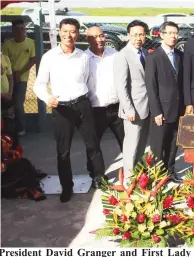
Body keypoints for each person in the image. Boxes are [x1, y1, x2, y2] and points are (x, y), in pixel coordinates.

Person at [33, 18, 106, 203]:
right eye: (65, 31)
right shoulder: (50, 57)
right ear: (59, 32)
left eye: (72, 31)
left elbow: (88, 80)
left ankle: (99, 179)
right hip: (62, 108)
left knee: (93, 145)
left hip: (82, 104)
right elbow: (39, 84)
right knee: (63, 151)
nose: (68, 35)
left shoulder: (83, 56)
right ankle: (67, 186)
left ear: (77, 34)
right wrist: (47, 98)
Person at [145, 21, 184, 183]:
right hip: (161, 110)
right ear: (161, 35)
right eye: (169, 33)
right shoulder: (153, 57)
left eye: (175, 33)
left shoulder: (180, 55)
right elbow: (151, 87)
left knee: (173, 143)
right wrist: (157, 111)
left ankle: (170, 171)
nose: (173, 36)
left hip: (177, 109)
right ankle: (156, 176)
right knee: (158, 145)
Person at [85, 26, 124, 181]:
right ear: (88, 40)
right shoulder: (84, 58)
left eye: (101, 35)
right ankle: (97, 176)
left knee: (126, 142)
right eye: (95, 37)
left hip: (117, 108)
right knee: (93, 145)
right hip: (95, 110)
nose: (100, 39)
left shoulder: (114, 55)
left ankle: (131, 172)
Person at [115, 20, 150, 178]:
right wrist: (129, 109)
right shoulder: (123, 55)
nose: (138, 38)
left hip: (146, 107)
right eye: (135, 35)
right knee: (131, 145)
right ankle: (129, 178)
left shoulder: (144, 53)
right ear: (128, 35)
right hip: (133, 109)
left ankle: (139, 172)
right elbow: (121, 86)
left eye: (141, 34)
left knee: (141, 144)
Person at [2, 20, 36, 136]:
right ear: (13, 31)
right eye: (18, 29)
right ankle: (7, 128)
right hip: (8, 78)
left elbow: (32, 59)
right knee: (7, 103)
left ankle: (20, 128)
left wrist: (20, 73)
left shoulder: (31, 43)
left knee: (18, 103)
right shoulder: (8, 44)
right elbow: (4, 61)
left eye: (23, 29)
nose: (21, 31)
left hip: (22, 78)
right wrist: (11, 74)